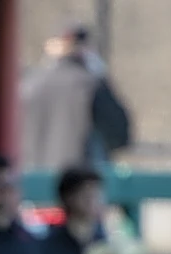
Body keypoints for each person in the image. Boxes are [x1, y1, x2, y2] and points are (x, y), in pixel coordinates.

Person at [20, 25, 130, 172]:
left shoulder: (28, 84)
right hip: (77, 183)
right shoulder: (91, 84)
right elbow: (119, 134)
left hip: (31, 180)